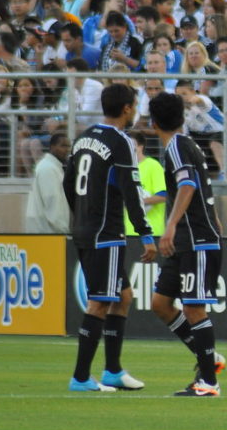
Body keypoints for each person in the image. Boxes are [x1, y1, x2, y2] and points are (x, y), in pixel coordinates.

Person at [63, 84, 157, 392]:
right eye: (135, 104)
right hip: (106, 232)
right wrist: (146, 235)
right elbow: (132, 191)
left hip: (84, 227)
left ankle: (113, 370)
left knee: (123, 297)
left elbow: (67, 182)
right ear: (128, 109)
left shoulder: (83, 137)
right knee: (100, 303)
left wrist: (80, 214)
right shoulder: (122, 142)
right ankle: (80, 378)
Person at [148, 92, 225, 397]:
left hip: (196, 239)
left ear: (153, 123)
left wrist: (169, 226)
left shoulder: (178, 146)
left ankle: (208, 382)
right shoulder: (186, 144)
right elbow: (203, 185)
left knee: (194, 308)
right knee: (161, 304)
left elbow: (189, 185)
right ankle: (209, 358)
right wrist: (215, 218)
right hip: (188, 240)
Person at [25, 133, 71, 234]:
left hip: (48, 231)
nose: (67, 150)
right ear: (52, 147)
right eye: (63, 146)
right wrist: (63, 230)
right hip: (46, 232)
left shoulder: (54, 167)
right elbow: (52, 201)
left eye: (68, 146)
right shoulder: (48, 168)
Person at [123, 131, 167, 237]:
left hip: (151, 231)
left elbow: (164, 195)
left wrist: (137, 202)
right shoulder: (123, 168)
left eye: (132, 145)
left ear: (140, 147)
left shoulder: (153, 166)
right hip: (127, 232)